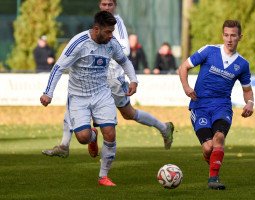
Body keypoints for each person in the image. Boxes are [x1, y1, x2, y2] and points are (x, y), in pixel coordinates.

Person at [42, 0, 174, 161]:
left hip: (113, 77)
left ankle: (163, 127)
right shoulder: (97, 26)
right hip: (94, 77)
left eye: (110, 4)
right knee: (75, 96)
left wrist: (105, 54)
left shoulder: (117, 24)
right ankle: (64, 145)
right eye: (103, 4)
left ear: (115, 6)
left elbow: (124, 50)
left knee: (128, 113)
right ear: (99, 6)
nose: (106, 7)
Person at [40, 11, 139, 187]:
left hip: (102, 94)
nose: (111, 36)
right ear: (96, 29)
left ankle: (103, 176)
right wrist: (48, 93)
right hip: (78, 96)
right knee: (83, 137)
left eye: (112, 32)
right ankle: (92, 136)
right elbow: (58, 67)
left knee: (110, 132)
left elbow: (124, 61)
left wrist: (133, 79)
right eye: (108, 32)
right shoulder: (78, 43)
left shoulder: (111, 44)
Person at [178, 20, 254, 190]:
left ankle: (213, 179)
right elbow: (183, 67)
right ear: (223, 35)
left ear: (239, 37)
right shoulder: (209, 51)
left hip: (222, 107)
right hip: (200, 106)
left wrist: (250, 103)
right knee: (208, 147)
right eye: (226, 35)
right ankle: (213, 162)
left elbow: (247, 90)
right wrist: (186, 87)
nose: (229, 39)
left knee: (219, 138)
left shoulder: (242, 64)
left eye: (233, 35)